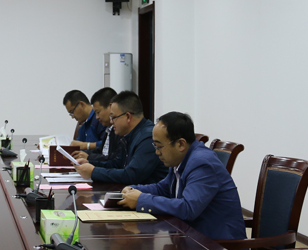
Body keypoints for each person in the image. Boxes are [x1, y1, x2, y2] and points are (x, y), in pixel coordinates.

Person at [118, 112, 246, 240]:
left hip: (219, 246)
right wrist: (133, 190)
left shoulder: (202, 162)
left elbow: (188, 209)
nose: (157, 152)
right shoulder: (180, 159)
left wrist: (141, 200)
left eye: (160, 146)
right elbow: (163, 189)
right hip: (193, 238)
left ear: (181, 144)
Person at [75, 91, 167, 184]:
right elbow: (117, 164)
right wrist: (89, 163)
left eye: (114, 117)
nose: (112, 122)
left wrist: (93, 172)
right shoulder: (129, 135)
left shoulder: (148, 137)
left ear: (128, 117)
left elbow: (132, 175)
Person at [72, 87, 122, 163]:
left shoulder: (120, 131)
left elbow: (113, 161)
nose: (97, 117)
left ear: (110, 107)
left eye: (98, 112)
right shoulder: (109, 129)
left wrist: (89, 157)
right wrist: (83, 154)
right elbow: (100, 152)